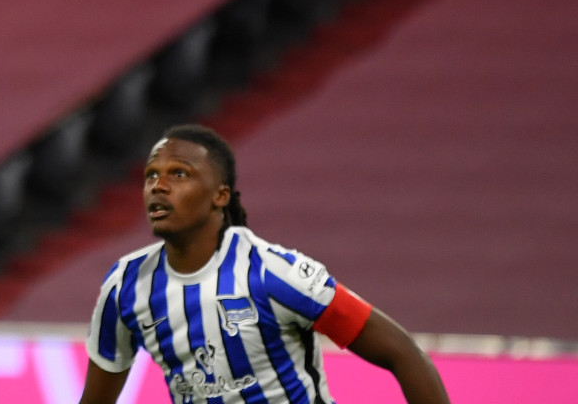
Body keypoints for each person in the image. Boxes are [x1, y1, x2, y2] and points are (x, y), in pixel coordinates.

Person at [77, 125, 451, 404]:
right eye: (151, 175)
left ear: (220, 196)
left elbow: (404, 354)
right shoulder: (127, 285)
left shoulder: (274, 274)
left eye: (179, 174)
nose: (158, 185)